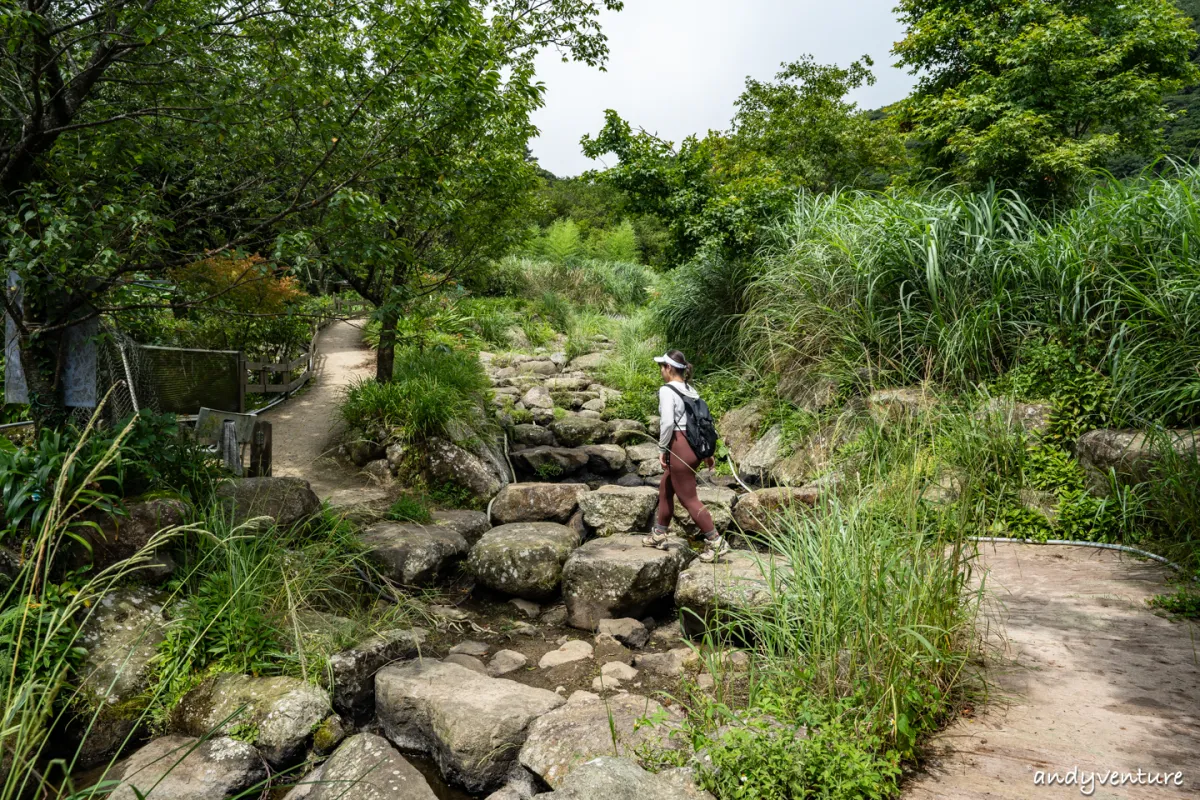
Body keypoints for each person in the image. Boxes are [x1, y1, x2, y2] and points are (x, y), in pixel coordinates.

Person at [642, 349, 731, 563]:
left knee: (688, 498)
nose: (661, 371)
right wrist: (707, 453)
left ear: (669, 368)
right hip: (694, 448)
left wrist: (662, 449)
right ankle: (659, 533)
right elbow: (703, 423)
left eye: (661, 367)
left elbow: (667, 423)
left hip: (679, 446)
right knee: (666, 487)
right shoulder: (691, 390)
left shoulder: (667, 390)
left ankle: (716, 541)